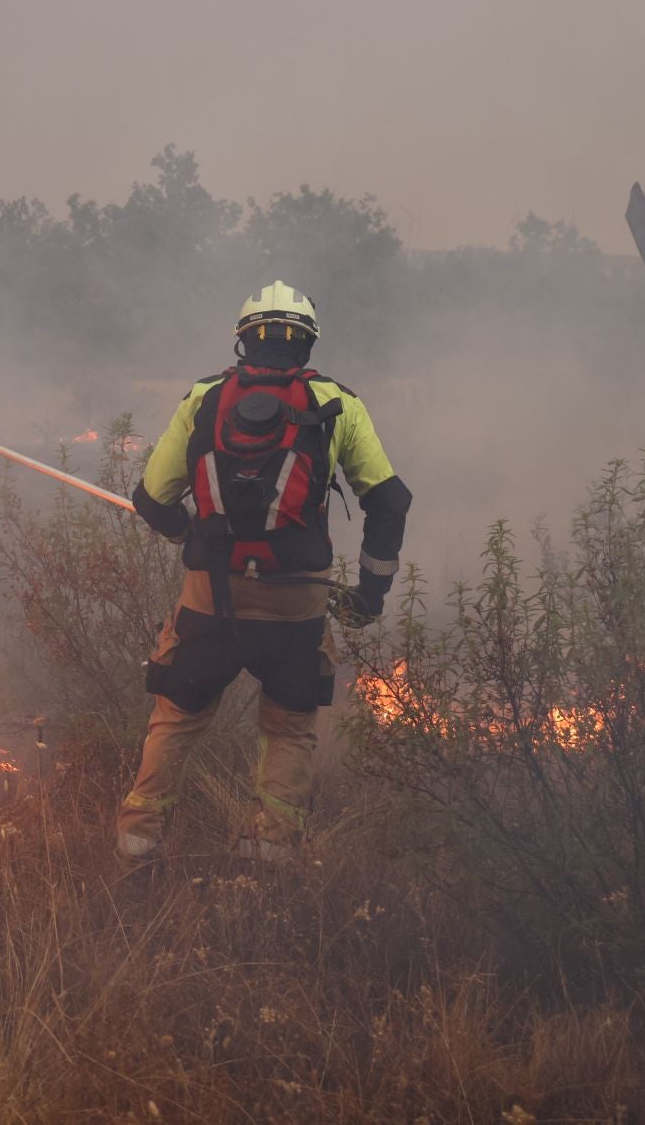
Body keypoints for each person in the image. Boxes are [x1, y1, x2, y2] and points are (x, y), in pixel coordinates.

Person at [117, 281, 411, 864]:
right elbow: (390, 501)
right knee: (289, 726)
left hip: (211, 596)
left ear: (242, 343)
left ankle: (138, 837)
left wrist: (190, 535)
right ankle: (269, 852)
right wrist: (369, 595)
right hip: (295, 604)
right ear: (306, 346)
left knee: (176, 716)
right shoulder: (338, 403)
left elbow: (151, 498)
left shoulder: (204, 397)